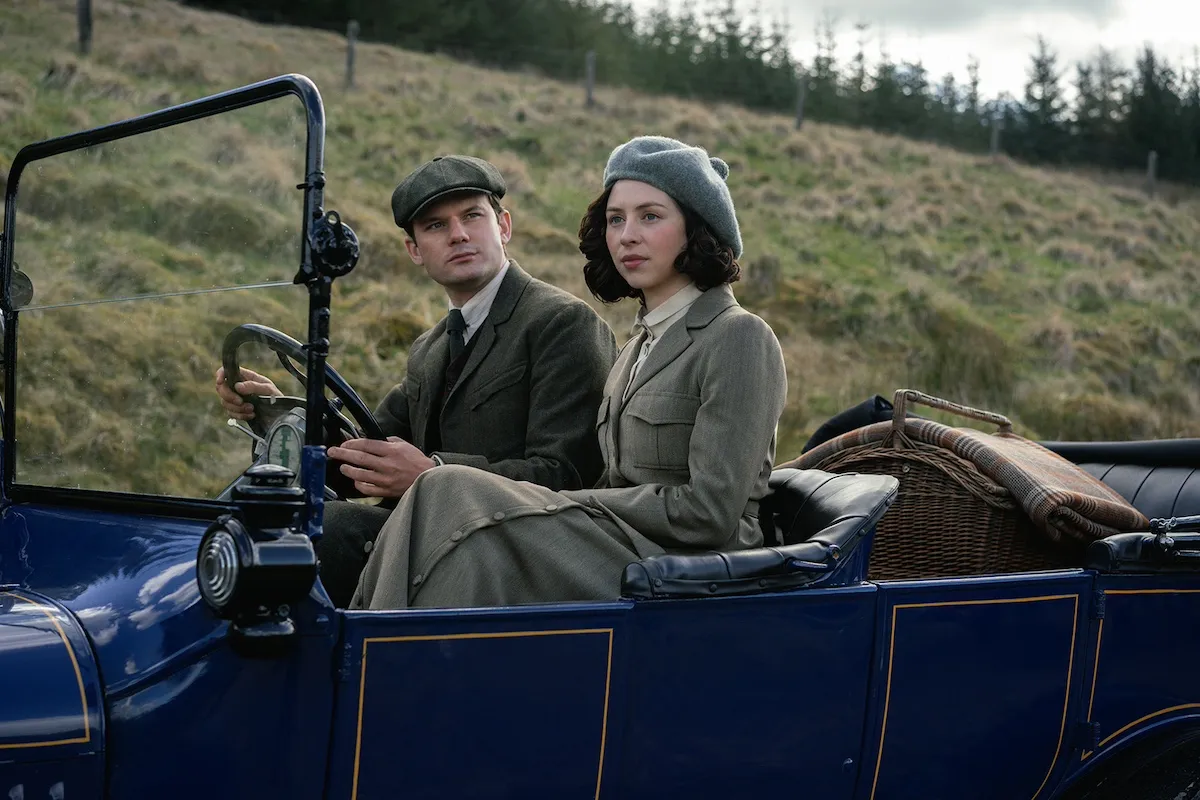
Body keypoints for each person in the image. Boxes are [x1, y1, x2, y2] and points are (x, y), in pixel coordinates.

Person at [350, 135, 788, 610]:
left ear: (697, 228)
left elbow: (711, 513)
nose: (626, 235)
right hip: (618, 546)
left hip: (687, 569)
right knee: (442, 498)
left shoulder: (738, 335)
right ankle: (374, 649)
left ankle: (386, 658)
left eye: (651, 216)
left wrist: (575, 503)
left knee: (448, 487)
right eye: (615, 219)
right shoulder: (642, 344)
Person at [214, 154, 618, 606]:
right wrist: (277, 413)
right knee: (245, 516)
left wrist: (434, 474)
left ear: (503, 226)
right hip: (426, 533)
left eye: (472, 216)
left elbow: (572, 475)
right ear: (414, 250)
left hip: (512, 546)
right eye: (435, 226)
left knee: (321, 536)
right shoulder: (430, 348)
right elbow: (364, 454)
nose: (459, 234)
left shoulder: (561, 323)